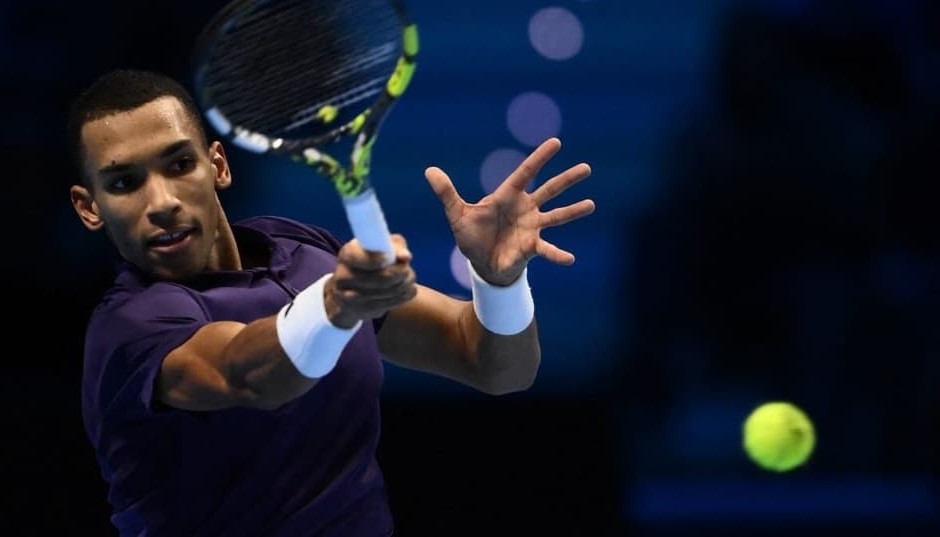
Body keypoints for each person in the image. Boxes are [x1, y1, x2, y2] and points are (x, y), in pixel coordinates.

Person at [67, 68, 595, 537]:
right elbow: (247, 376)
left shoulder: (302, 252)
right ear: (90, 208)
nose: (161, 202)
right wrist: (336, 304)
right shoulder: (131, 326)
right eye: (125, 182)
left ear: (218, 166)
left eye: (179, 164)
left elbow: (494, 366)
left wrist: (497, 282)